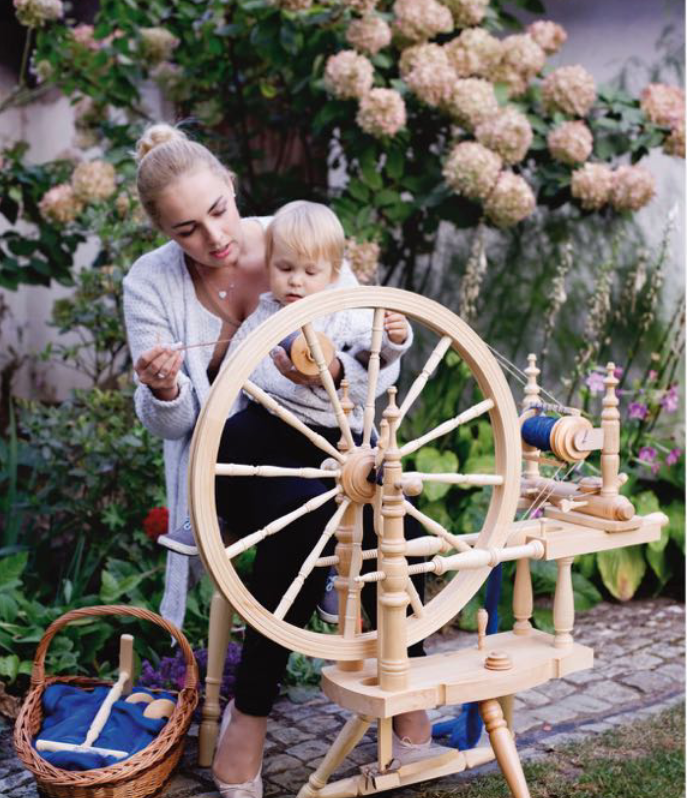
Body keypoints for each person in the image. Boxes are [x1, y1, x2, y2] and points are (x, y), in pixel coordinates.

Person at [123, 125, 438, 798]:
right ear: (163, 234)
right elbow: (173, 424)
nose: (213, 238)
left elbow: (365, 363)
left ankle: (374, 704)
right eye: (186, 230)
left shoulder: (297, 235)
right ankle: (264, 714)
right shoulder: (149, 282)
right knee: (313, 514)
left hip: (322, 449)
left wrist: (349, 360)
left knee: (380, 507)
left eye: (217, 211)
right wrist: (164, 386)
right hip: (228, 458)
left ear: (232, 188)